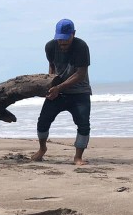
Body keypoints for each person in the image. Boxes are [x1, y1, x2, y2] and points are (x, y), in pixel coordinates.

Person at [32, 18, 92, 165]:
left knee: (83, 124)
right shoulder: (50, 47)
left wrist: (59, 87)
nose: (62, 43)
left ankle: (78, 157)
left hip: (79, 92)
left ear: (74, 34)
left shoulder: (81, 46)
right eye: (60, 40)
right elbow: (52, 67)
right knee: (43, 121)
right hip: (58, 91)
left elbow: (80, 74)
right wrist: (50, 85)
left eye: (66, 40)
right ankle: (42, 149)